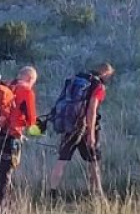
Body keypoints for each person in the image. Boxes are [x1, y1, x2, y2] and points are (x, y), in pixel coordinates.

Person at [46, 63, 113, 196]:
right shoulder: (98, 86)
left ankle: (51, 193)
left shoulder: (76, 79)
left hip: (69, 124)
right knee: (93, 160)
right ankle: (97, 192)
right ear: (105, 73)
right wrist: (91, 134)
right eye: (110, 76)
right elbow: (92, 110)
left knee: (62, 159)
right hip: (83, 127)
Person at [0, 66, 39, 205]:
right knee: (6, 172)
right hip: (11, 136)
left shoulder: (7, 86)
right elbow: (32, 121)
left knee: (4, 169)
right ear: (30, 79)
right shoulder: (27, 91)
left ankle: (6, 201)